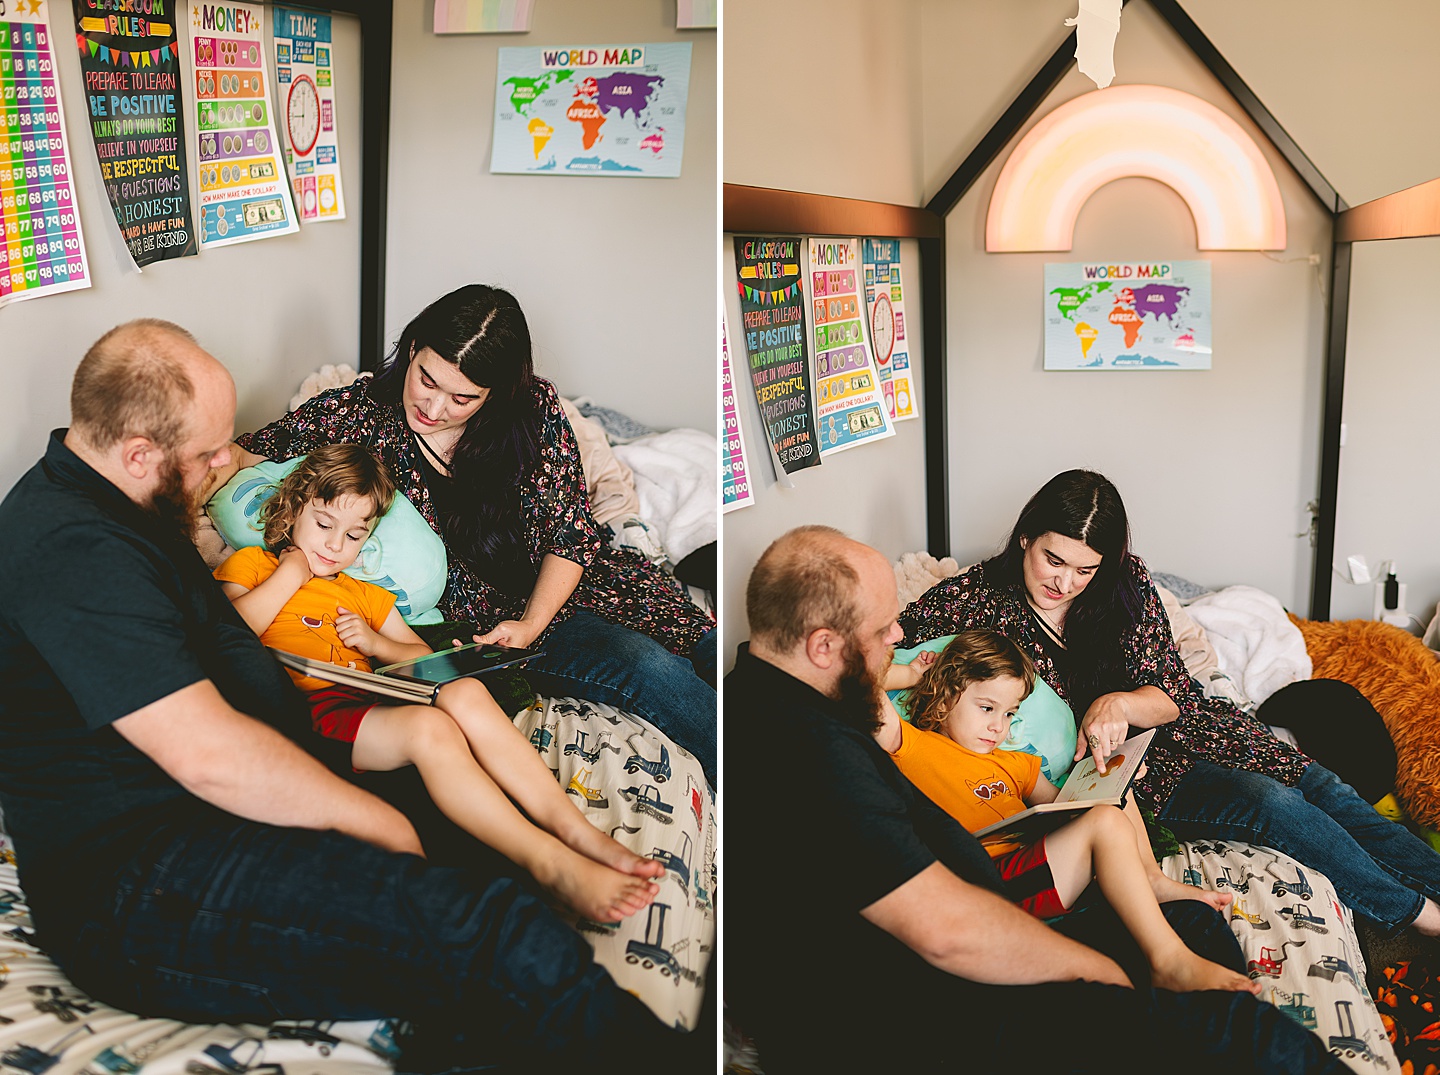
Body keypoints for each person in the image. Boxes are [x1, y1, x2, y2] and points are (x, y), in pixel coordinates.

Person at [0, 320, 703, 1072]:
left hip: (235, 800)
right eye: (209, 453)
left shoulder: (126, 501)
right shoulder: (70, 546)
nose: (223, 466)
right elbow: (206, 754)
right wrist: (372, 817)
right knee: (487, 922)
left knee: (484, 855)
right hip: (147, 881)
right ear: (139, 454)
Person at [725, 525, 1344, 1074]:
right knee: (1254, 1037)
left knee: (1193, 926)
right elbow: (946, 933)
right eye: (883, 628)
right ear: (824, 647)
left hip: (978, 945)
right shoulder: (804, 749)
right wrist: (1105, 977)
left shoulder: (784, 690)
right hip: (945, 1017)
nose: (899, 636)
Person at [899, 468, 1440, 938]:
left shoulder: (1125, 581)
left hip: (1195, 726)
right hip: (1134, 773)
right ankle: (1416, 915)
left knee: (1324, 786)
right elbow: (887, 645)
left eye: (1084, 570)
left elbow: (1173, 697)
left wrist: (1118, 703)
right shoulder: (972, 599)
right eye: (1053, 560)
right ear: (1025, 538)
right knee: (1272, 804)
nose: (1065, 583)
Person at [223, 285, 716, 784]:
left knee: (704, 641)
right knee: (649, 669)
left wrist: (534, 618)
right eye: (426, 381)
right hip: (494, 625)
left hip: (582, 582)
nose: (434, 408)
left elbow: (571, 533)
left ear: (495, 394)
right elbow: (250, 452)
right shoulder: (361, 413)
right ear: (413, 351)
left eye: (462, 398)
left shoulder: (535, 409)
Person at [214, 443, 662, 923]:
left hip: (368, 699)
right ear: (296, 506)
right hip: (307, 708)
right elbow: (227, 633)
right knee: (432, 731)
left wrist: (376, 645)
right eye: (324, 525)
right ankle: (548, 863)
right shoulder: (252, 566)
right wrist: (291, 570)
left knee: (463, 690)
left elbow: (424, 659)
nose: (333, 545)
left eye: (353, 536)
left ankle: (573, 829)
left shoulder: (364, 594)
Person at [876, 630, 1255, 995]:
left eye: (1010, 713)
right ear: (944, 700)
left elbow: (1069, 806)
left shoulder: (1018, 763)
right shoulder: (911, 747)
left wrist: (1115, 778)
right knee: (1103, 822)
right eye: (987, 708)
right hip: (991, 881)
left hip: (1037, 867)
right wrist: (910, 673)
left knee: (1108, 794)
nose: (998, 726)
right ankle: (1168, 961)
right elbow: (856, 681)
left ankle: (1152, 878)